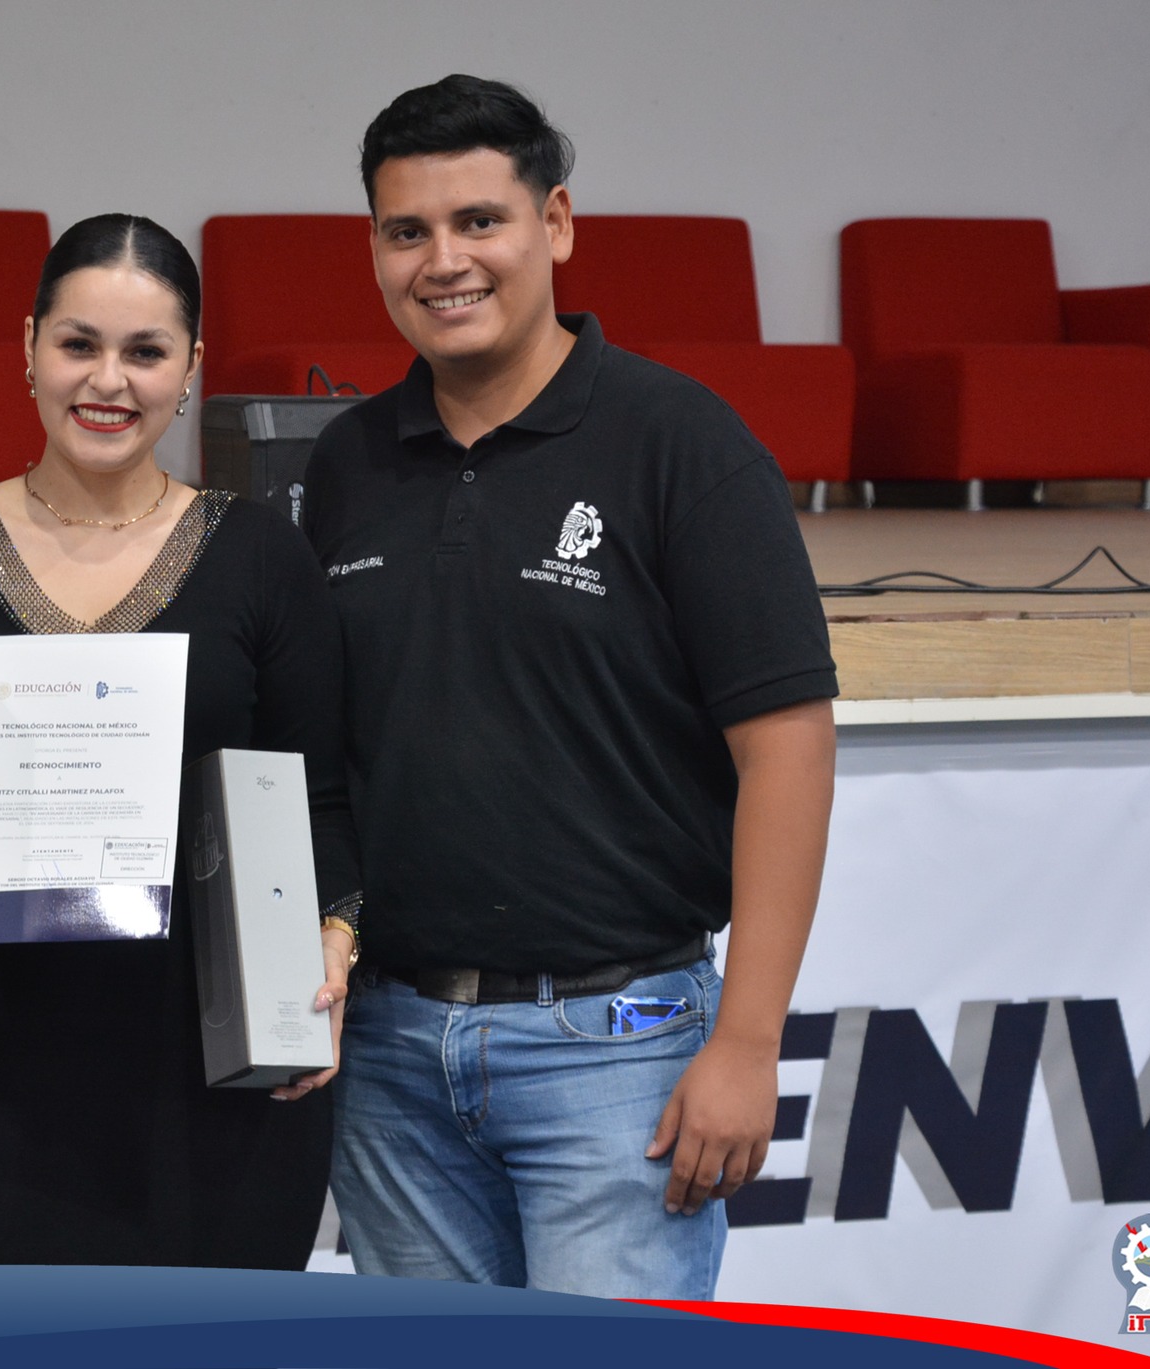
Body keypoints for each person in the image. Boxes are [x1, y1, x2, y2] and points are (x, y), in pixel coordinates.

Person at [304, 75, 839, 1298]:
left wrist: (747, 1043)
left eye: (478, 221)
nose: (444, 261)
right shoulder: (343, 464)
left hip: (618, 1051)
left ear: (553, 223)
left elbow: (788, 752)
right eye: (407, 231)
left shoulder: (681, 445)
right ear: (374, 252)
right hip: (386, 1054)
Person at [0, 214, 362, 1269]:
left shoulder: (260, 557)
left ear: (190, 368)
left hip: (222, 1081)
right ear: (27, 347)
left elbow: (320, 801)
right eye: (78, 344)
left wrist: (329, 951)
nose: (107, 380)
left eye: (145, 352)